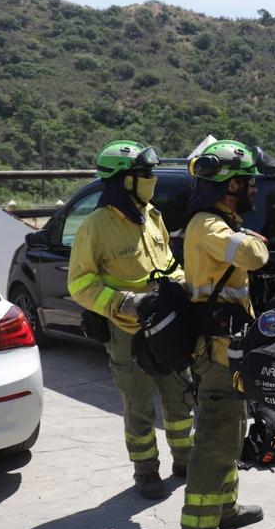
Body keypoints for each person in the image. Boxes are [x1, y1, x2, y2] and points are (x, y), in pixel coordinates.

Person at [67, 140, 193, 500]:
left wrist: (182, 288)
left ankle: (184, 460)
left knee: (180, 398)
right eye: (145, 174)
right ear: (123, 180)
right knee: (138, 407)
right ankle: (146, 471)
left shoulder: (152, 216)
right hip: (128, 332)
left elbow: (169, 262)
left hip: (167, 327)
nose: (151, 179)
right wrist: (125, 302)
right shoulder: (96, 226)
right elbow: (79, 283)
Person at [178, 140, 275, 529]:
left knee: (231, 429)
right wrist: (254, 238)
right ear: (230, 185)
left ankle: (225, 508)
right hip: (215, 352)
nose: (255, 188)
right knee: (215, 439)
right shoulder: (209, 225)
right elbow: (254, 255)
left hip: (227, 348)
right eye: (249, 181)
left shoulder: (222, 221)